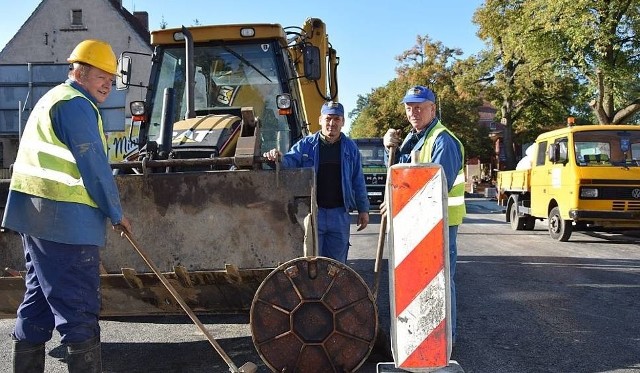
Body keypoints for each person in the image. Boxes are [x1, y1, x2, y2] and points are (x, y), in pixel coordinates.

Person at [1, 39, 133, 373]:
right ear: (79, 70)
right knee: (79, 310)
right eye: (101, 75)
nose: (108, 83)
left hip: (37, 219)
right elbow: (95, 167)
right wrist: (116, 214)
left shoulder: (53, 99)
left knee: (38, 305)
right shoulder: (76, 104)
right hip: (65, 225)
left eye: (111, 77)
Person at [383, 85, 466, 343]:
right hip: (419, 222)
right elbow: (402, 172)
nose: (413, 112)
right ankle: (423, 338)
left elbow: (436, 187)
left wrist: (396, 201)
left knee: (442, 281)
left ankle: (446, 341)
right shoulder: (415, 137)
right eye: (409, 107)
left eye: (419, 107)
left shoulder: (443, 140)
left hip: (440, 223)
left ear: (433, 108)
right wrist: (389, 148)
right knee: (422, 283)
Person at [263, 101, 369, 263]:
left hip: (339, 215)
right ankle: (314, 290)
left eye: (336, 119)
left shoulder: (350, 148)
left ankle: (333, 289)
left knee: (337, 265)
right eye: (328, 119)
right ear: (320, 120)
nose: (332, 123)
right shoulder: (306, 145)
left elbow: (357, 180)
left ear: (343, 122)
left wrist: (364, 209)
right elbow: (289, 162)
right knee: (311, 262)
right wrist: (276, 158)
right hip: (313, 213)